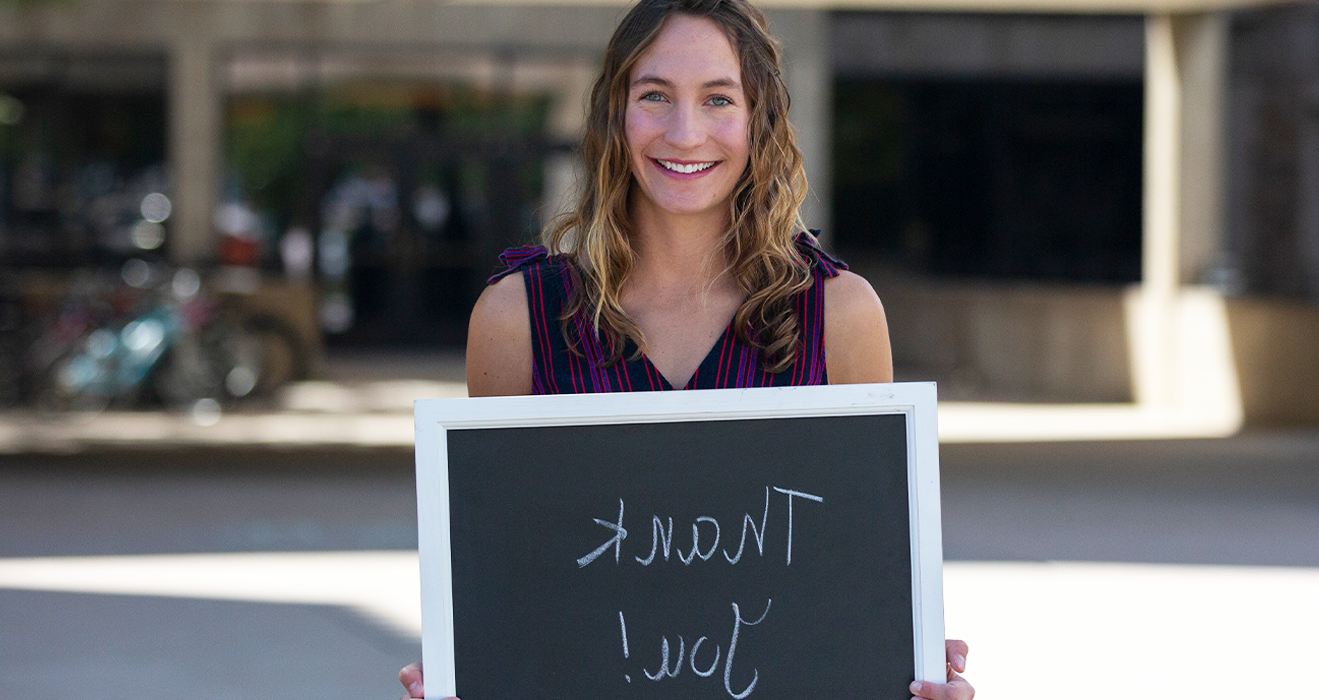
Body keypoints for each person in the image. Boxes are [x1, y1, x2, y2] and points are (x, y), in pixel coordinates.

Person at [397, 1, 973, 699]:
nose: (685, 131)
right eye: (655, 96)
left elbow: (856, 577)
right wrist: (472, 665)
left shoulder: (838, 314)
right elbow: (508, 581)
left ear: (760, 119)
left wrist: (897, 653)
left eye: (718, 98)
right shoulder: (518, 318)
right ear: (615, 112)